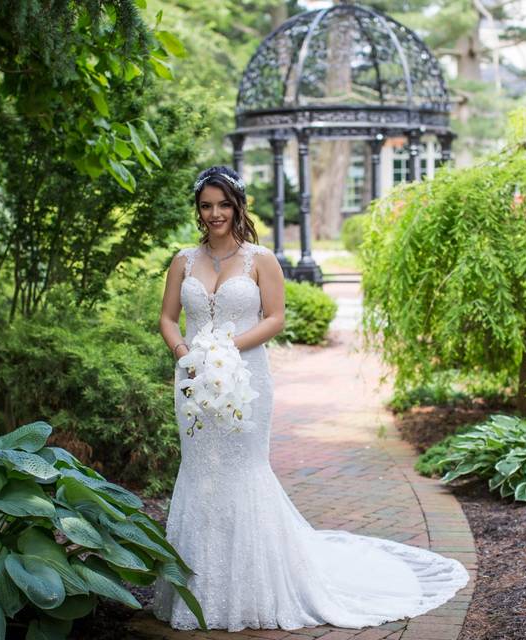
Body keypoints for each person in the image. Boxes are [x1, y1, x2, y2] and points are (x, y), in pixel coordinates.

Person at [152, 165, 470, 632]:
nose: (215, 213)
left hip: (246, 380)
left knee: (243, 471)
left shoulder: (259, 259)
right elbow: (168, 318)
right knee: (200, 473)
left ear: (237, 206)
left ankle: (255, 587)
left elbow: (275, 318)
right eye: (206, 205)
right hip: (192, 381)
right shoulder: (182, 260)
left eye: (223, 204)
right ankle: (196, 588)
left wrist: (226, 349)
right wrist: (186, 355)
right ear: (198, 210)